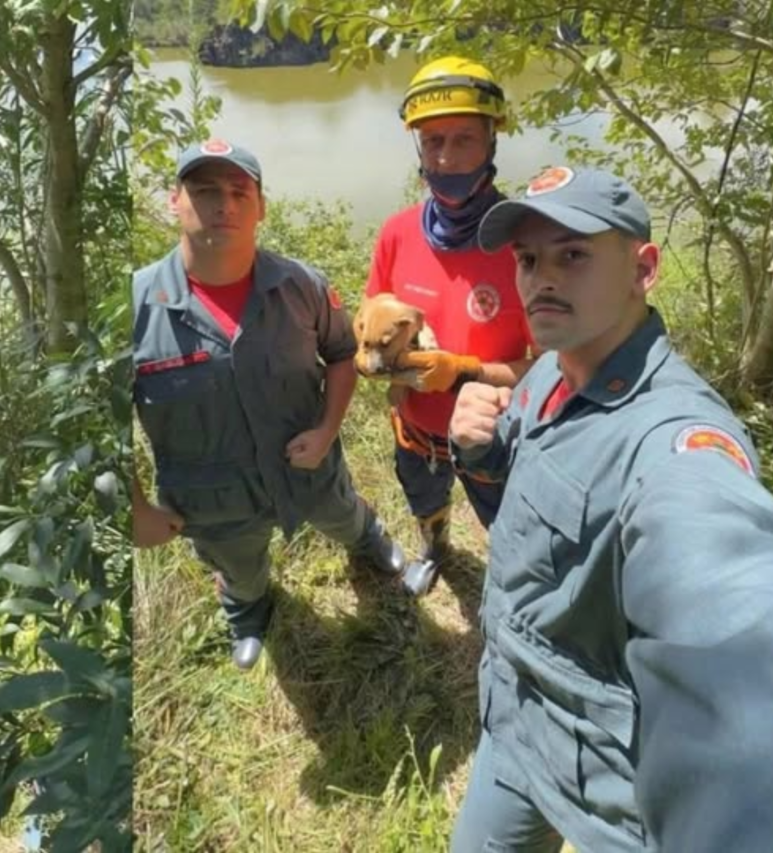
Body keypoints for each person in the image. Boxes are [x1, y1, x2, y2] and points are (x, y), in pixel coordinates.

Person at [449, 165, 773, 852]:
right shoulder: (551, 369)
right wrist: (477, 452)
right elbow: (523, 507)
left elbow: (727, 653)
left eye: (573, 254)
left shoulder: (679, 446)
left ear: (644, 268)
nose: (542, 279)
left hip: (606, 775)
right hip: (511, 721)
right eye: (528, 259)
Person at [132, 139, 416, 670]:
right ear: (175, 200)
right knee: (239, 567)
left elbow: (339, 355)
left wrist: (330, 429)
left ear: (261, 206)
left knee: (345, 514)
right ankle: (246, 610)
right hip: (210, 497)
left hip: (308, 467)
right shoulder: (135, 305)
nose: (225, 205)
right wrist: (135, 511)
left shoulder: (302, 285)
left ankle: (370, 543)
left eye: (241, 192)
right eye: (205, 190)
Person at [364, 56, 535, 596]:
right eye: (433, 140)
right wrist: (378, 363)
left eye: (464, 139)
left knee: (509, 522)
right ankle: (435, 547)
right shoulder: (397, 234)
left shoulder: (528, 244)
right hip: (416, 429)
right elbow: (376, 320)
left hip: (494, 432)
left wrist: (465, 372)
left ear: (492, 143)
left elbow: (556, 368)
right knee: (423, 496)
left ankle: (515, 580)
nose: (446, 156)